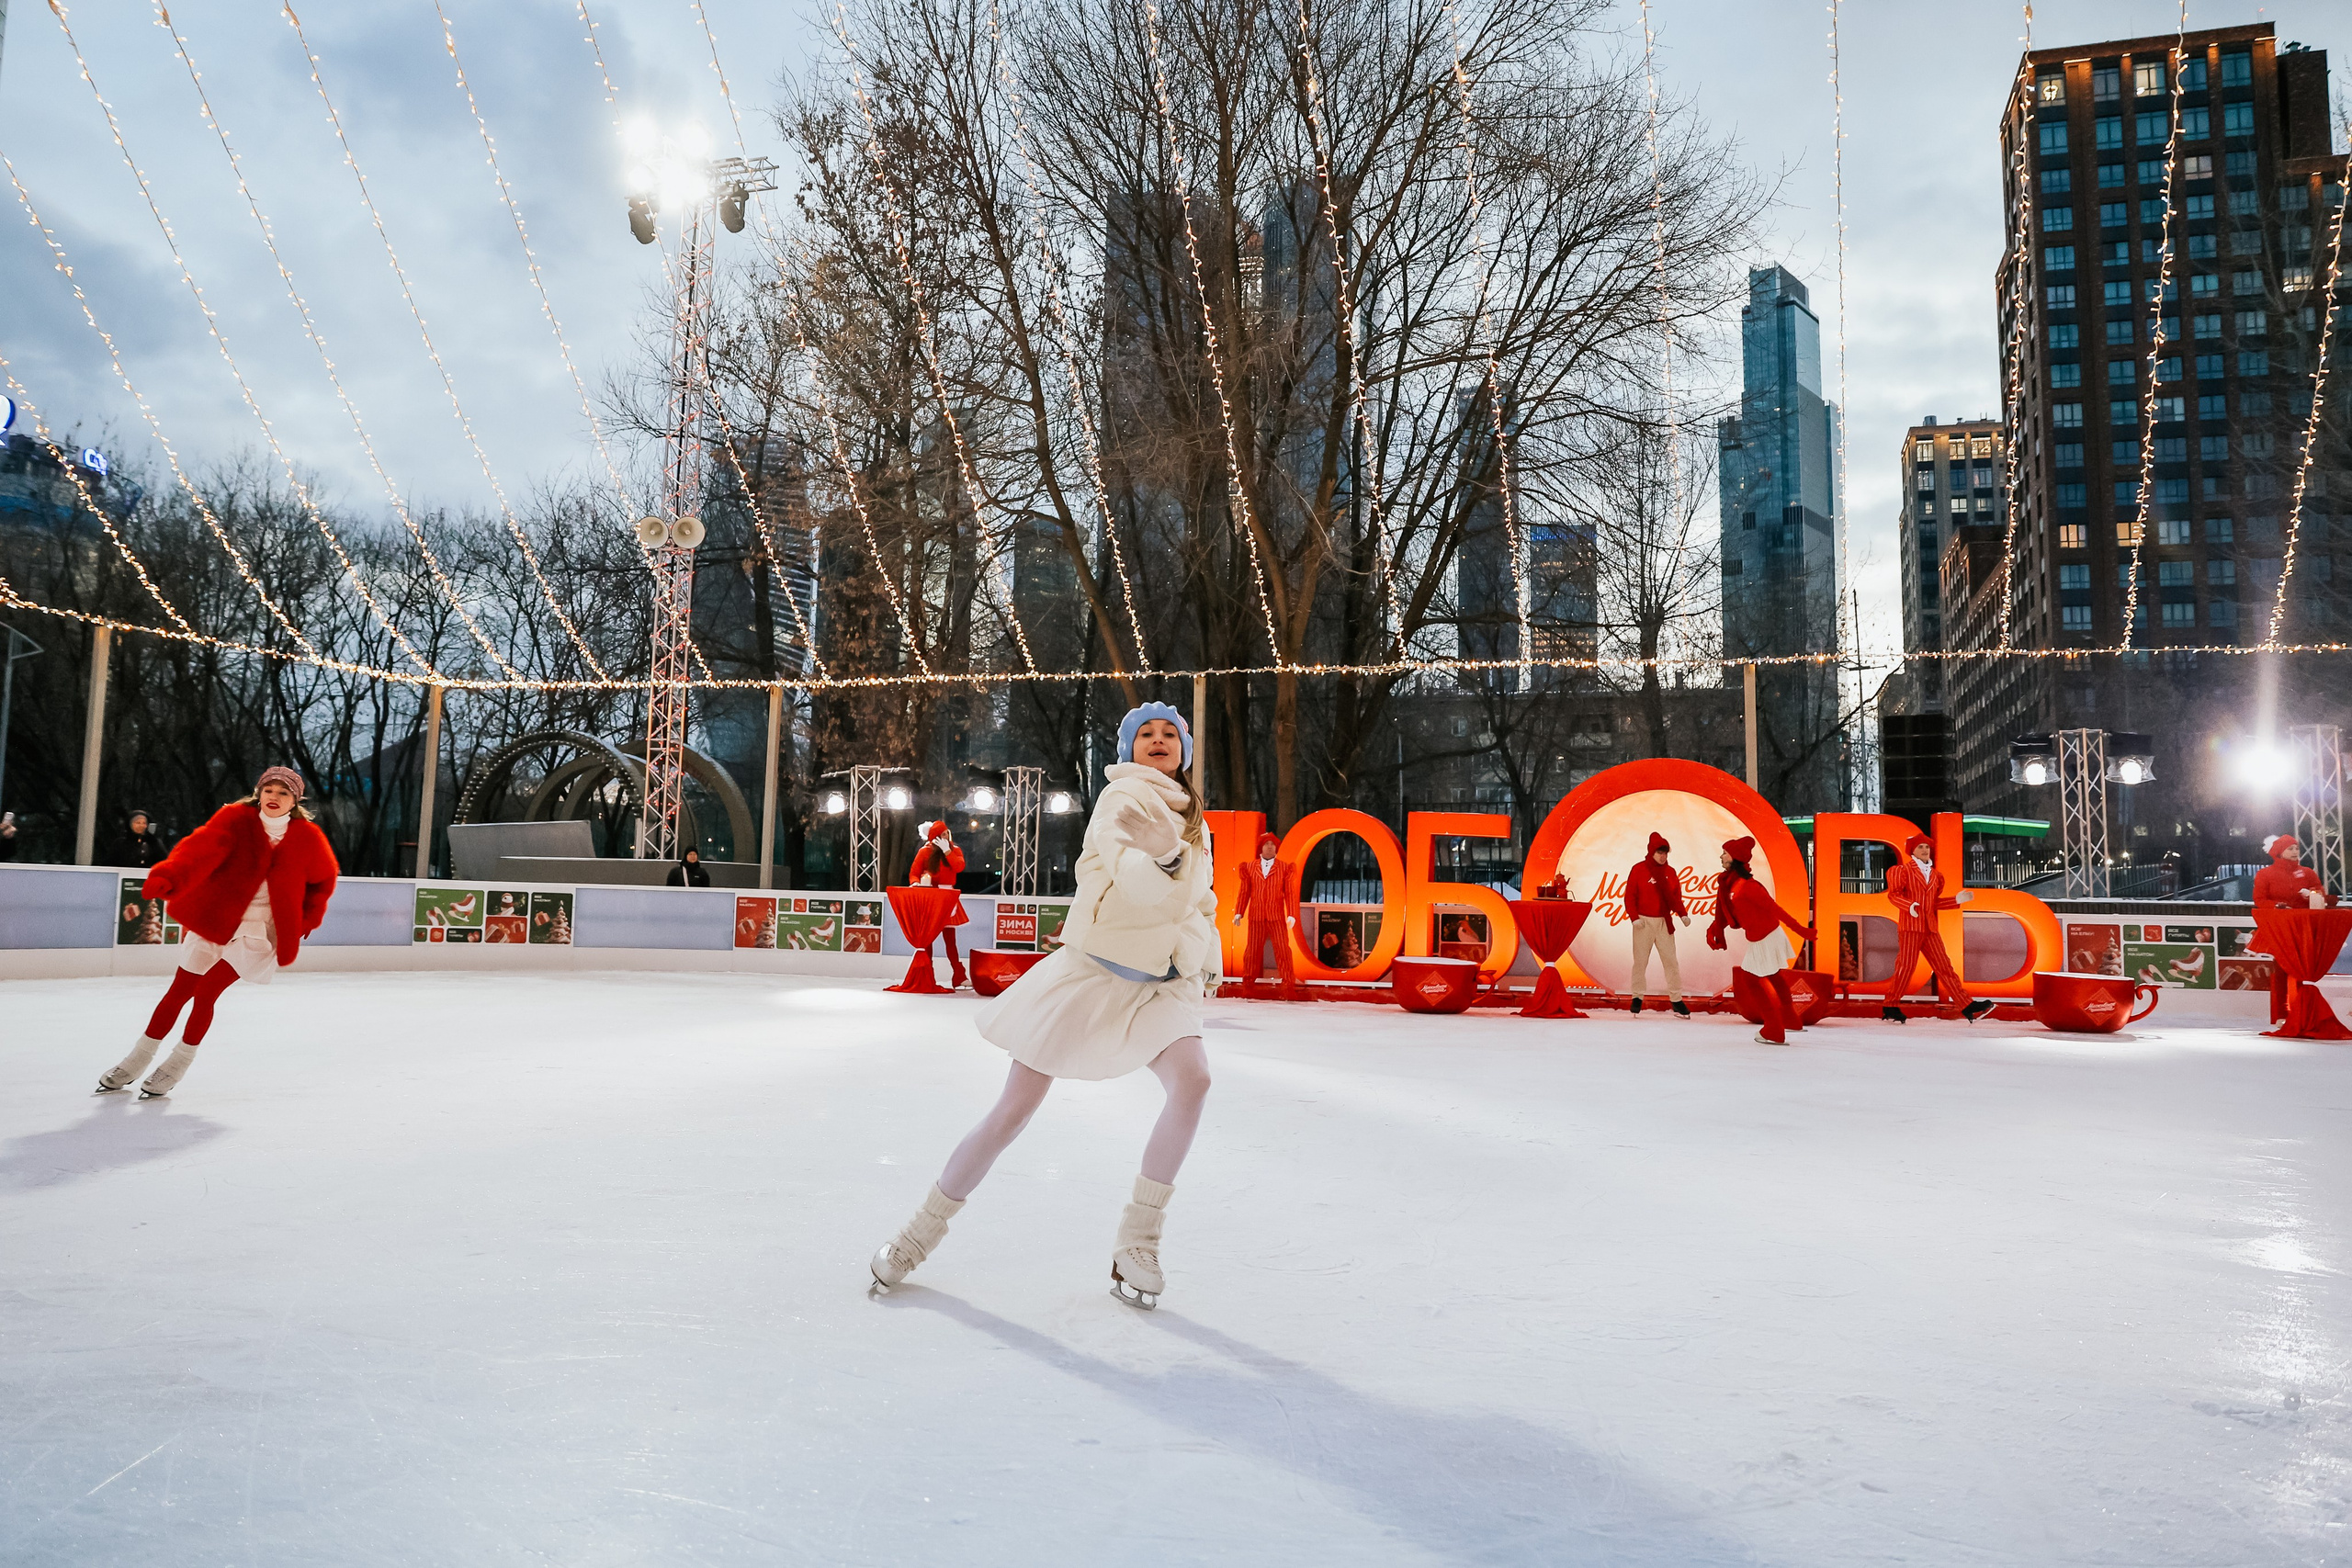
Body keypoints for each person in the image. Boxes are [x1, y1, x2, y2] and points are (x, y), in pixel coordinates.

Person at [868, 703, 1217, 1309]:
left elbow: (1200, 900)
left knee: (1193, 1081)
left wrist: (1204, 955)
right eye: (1146, 735)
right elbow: (1135, 879)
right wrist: (1162, 858)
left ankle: (1138, 1240)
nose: (1159, 741)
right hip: (1092, 974)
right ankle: (917, 1233)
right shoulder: (1121, 803)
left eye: (1170, 735)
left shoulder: (1194, 823)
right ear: (1129, 749)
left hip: (1160, 981)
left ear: (1184, 750)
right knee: (1011, 1113)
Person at [96, 766, 338, 1099]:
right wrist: (169, 875)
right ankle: (135, 1060)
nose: (274, 798)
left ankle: (176, 1065)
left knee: (207, 990)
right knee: (180, 990)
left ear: (295, 800)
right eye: (269, 790)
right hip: (219, 918)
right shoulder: (236, 819)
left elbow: (323, 881)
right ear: (259, 792)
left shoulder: (307, 836)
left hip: (260, 930)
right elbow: (198, 849)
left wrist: (307, 919)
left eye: (283, 793)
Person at [1704, 836, 1815, 1046]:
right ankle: (1790, 1020)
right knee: (1773, 977)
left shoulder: (1748, 886)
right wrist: (1716, 929)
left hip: (1766, 936)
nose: (1721, 856)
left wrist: (1802, 930)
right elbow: (1726, 912)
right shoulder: (1730, 883)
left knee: (1751, 979)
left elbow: (1775, 909)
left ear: (1735, 857)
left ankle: (1774, 1030)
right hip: (1761, 936)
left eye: (1725, 853)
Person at [1879, 835, 1994, 1024]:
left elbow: (1933, 903)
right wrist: (1909, 906)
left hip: (1930, 928)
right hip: (1911, 926)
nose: (1924, 850)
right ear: (1912, 851)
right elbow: (1893, 895)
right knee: (1906, 967)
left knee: (1944, 967)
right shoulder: (1903, 871)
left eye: (1927, 847)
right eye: (1920, 847)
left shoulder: (1935, 876)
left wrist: (1956, 900)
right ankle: (1890, 1004)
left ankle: (1966, 1005)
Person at [2251, 834, 2332, 1023]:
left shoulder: (2307, 872)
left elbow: (2320, 896)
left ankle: (2302, 1012)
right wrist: (2276, 906)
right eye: (2291, 849)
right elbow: (2260, 900)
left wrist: (2310, 895)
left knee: (2301, 970)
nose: (2296, 852)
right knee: (2281, 970)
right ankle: (2282, 1013)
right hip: (2280, 928)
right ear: (2279, 852)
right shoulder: (2265, 874)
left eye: (2297, 848)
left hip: (2304, 927)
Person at [1623, 831, 1690, 1016]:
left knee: (1671, 962)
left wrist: (1682, 913)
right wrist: (1634, 918)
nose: (1663, 857)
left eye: (1666, 853)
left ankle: (1676, 1000)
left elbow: (1675, 897)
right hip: (1643, 922)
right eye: (1660, 853)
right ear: (1651, 852)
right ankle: (1637, 998)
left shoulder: (1670, 872)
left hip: (1664, 922)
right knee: (1640, 962)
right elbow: (1630, 896)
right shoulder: (1638, 869)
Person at [1230, 830, 1302, 998]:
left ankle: (1288, 986)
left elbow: (1290, 893)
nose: (1270, 847)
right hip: (1256, 916)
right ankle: (1248, 984)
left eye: (1272, 845)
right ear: (1261, 848)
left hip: (1276, 916)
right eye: (1266, 844)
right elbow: (1244, 892)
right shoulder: (1249, 867)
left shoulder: (1284, 868)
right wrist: (1239, 912)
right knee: (1252, 952)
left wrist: (1291, 914)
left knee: (1283, 951)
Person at [909, 819, 970, 989]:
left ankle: (959, 976)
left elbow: (959, 867)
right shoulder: (924, 852)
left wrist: (948, 851)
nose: (946, 836)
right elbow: (914, 873)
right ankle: (927, 975)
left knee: (950, 941)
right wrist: (915, 884)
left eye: (946, 833)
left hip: (948, 898)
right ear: (935, 836)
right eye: (942, 834)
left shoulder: (954, 850)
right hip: (930, 897)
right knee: (927, 940)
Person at [103, 809, 167, 869]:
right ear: (130, 825)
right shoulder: (120, 843)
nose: (141, 825)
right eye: (138, 823)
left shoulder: (154, 843)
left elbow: (163, 863)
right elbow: (110, 864)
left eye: (144, 823)